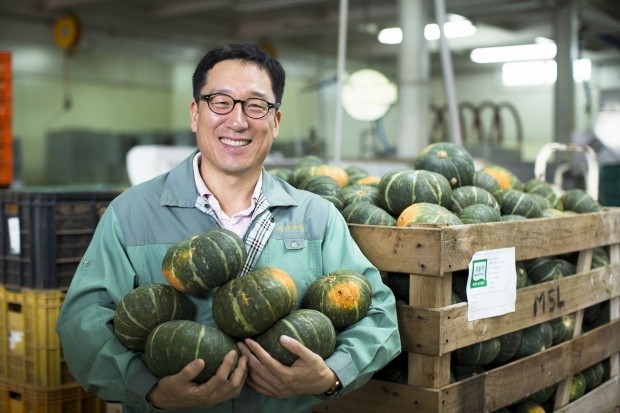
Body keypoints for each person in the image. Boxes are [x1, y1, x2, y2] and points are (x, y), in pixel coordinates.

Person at [56, 43, 401, 413]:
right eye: (221, 101)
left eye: (256, 105)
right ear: (195, 113)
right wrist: (150, 390)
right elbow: (83, 322)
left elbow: (379, 315)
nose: (238, 121)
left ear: (276, 121)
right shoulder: (131, 213)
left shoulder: (317, 215)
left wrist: (331, 375)